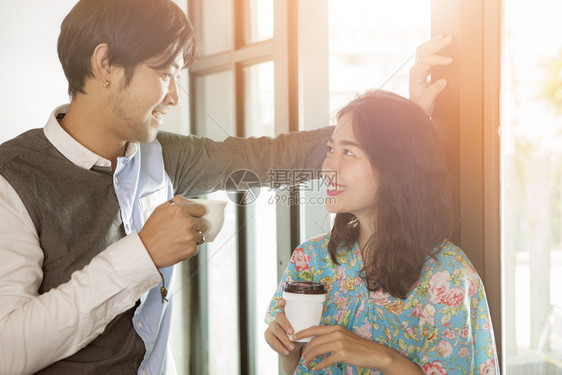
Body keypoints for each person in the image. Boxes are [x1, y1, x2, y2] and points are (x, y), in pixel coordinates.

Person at [0, 0, 451, 373]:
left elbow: (269, 159)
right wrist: (143, 254)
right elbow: (9, 349)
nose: (176, 96)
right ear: (105, 64)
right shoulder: (13, 179)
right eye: (164, 72)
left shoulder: (161, 154)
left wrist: (399, 124)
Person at [264, 90, 499, 374]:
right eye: (330, 149)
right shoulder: (310, 260)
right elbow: (295, 368)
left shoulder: (446, 274)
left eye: (348, 152)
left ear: (395, 167)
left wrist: (381, 357)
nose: (328, 168)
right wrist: (287, 348)